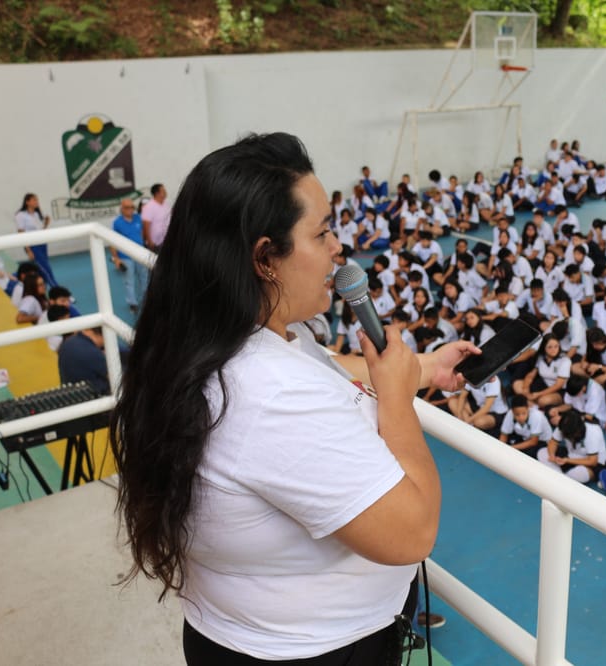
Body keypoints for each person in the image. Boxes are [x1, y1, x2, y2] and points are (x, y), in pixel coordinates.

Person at [110, 133, 478, 664]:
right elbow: (412, 534)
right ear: (265, 258)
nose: (339, 249)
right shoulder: (272, 396)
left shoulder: (211, 336)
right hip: (314, 651)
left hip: (236, 631)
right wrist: (397, 403)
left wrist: (424, 367)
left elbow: (324, 367)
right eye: (323, 232)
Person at [537, 410, 606, 484]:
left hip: (594, 463)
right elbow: (553, 442)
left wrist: (567, 460)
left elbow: (592, 461)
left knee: (581, 474)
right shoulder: (564, 425)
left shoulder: (593, 431)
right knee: (542, 452)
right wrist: (552, 455)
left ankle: (558, 478)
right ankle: (560, 477)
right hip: (570, 456)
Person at [110, 198, 150, 314]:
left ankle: (147, 301)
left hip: (140, 254)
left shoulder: (138, 218)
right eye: (127, 207)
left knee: (144, 278)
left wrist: (144, 246)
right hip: (125, 256)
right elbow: (113, 241)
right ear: (121, 209)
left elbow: (142, 233)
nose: (130, 210)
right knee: (129, 281)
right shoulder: (117, 222)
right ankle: (133, 303)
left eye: (132, 207)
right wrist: (116, 258)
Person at [14, 192, 57, 287]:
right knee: (46, 269)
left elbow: (40, 231)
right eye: (34, 200)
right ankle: (56, 289)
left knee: (41, 269)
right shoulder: (20, 215)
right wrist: (28, 250)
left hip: (42, 244)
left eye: (37, 200)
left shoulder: (36, 214)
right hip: (33, 246)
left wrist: (46, 224)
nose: (36, 202)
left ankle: (42, 291)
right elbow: (21, 233)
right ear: (27, 202)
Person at [57, 326, 111, 395]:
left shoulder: (67, 343)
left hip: (68, 393)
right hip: (92, 398)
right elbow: (114, 378)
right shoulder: (94, 353)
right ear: (103, 337)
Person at [141, 183, 172, 250]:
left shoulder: (167, 205)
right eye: (163, 191)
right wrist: (149, 241)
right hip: (155, 243)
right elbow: (146, 225)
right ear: (157, 193)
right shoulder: (149, 207)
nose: (166, 192)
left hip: (167, 240)